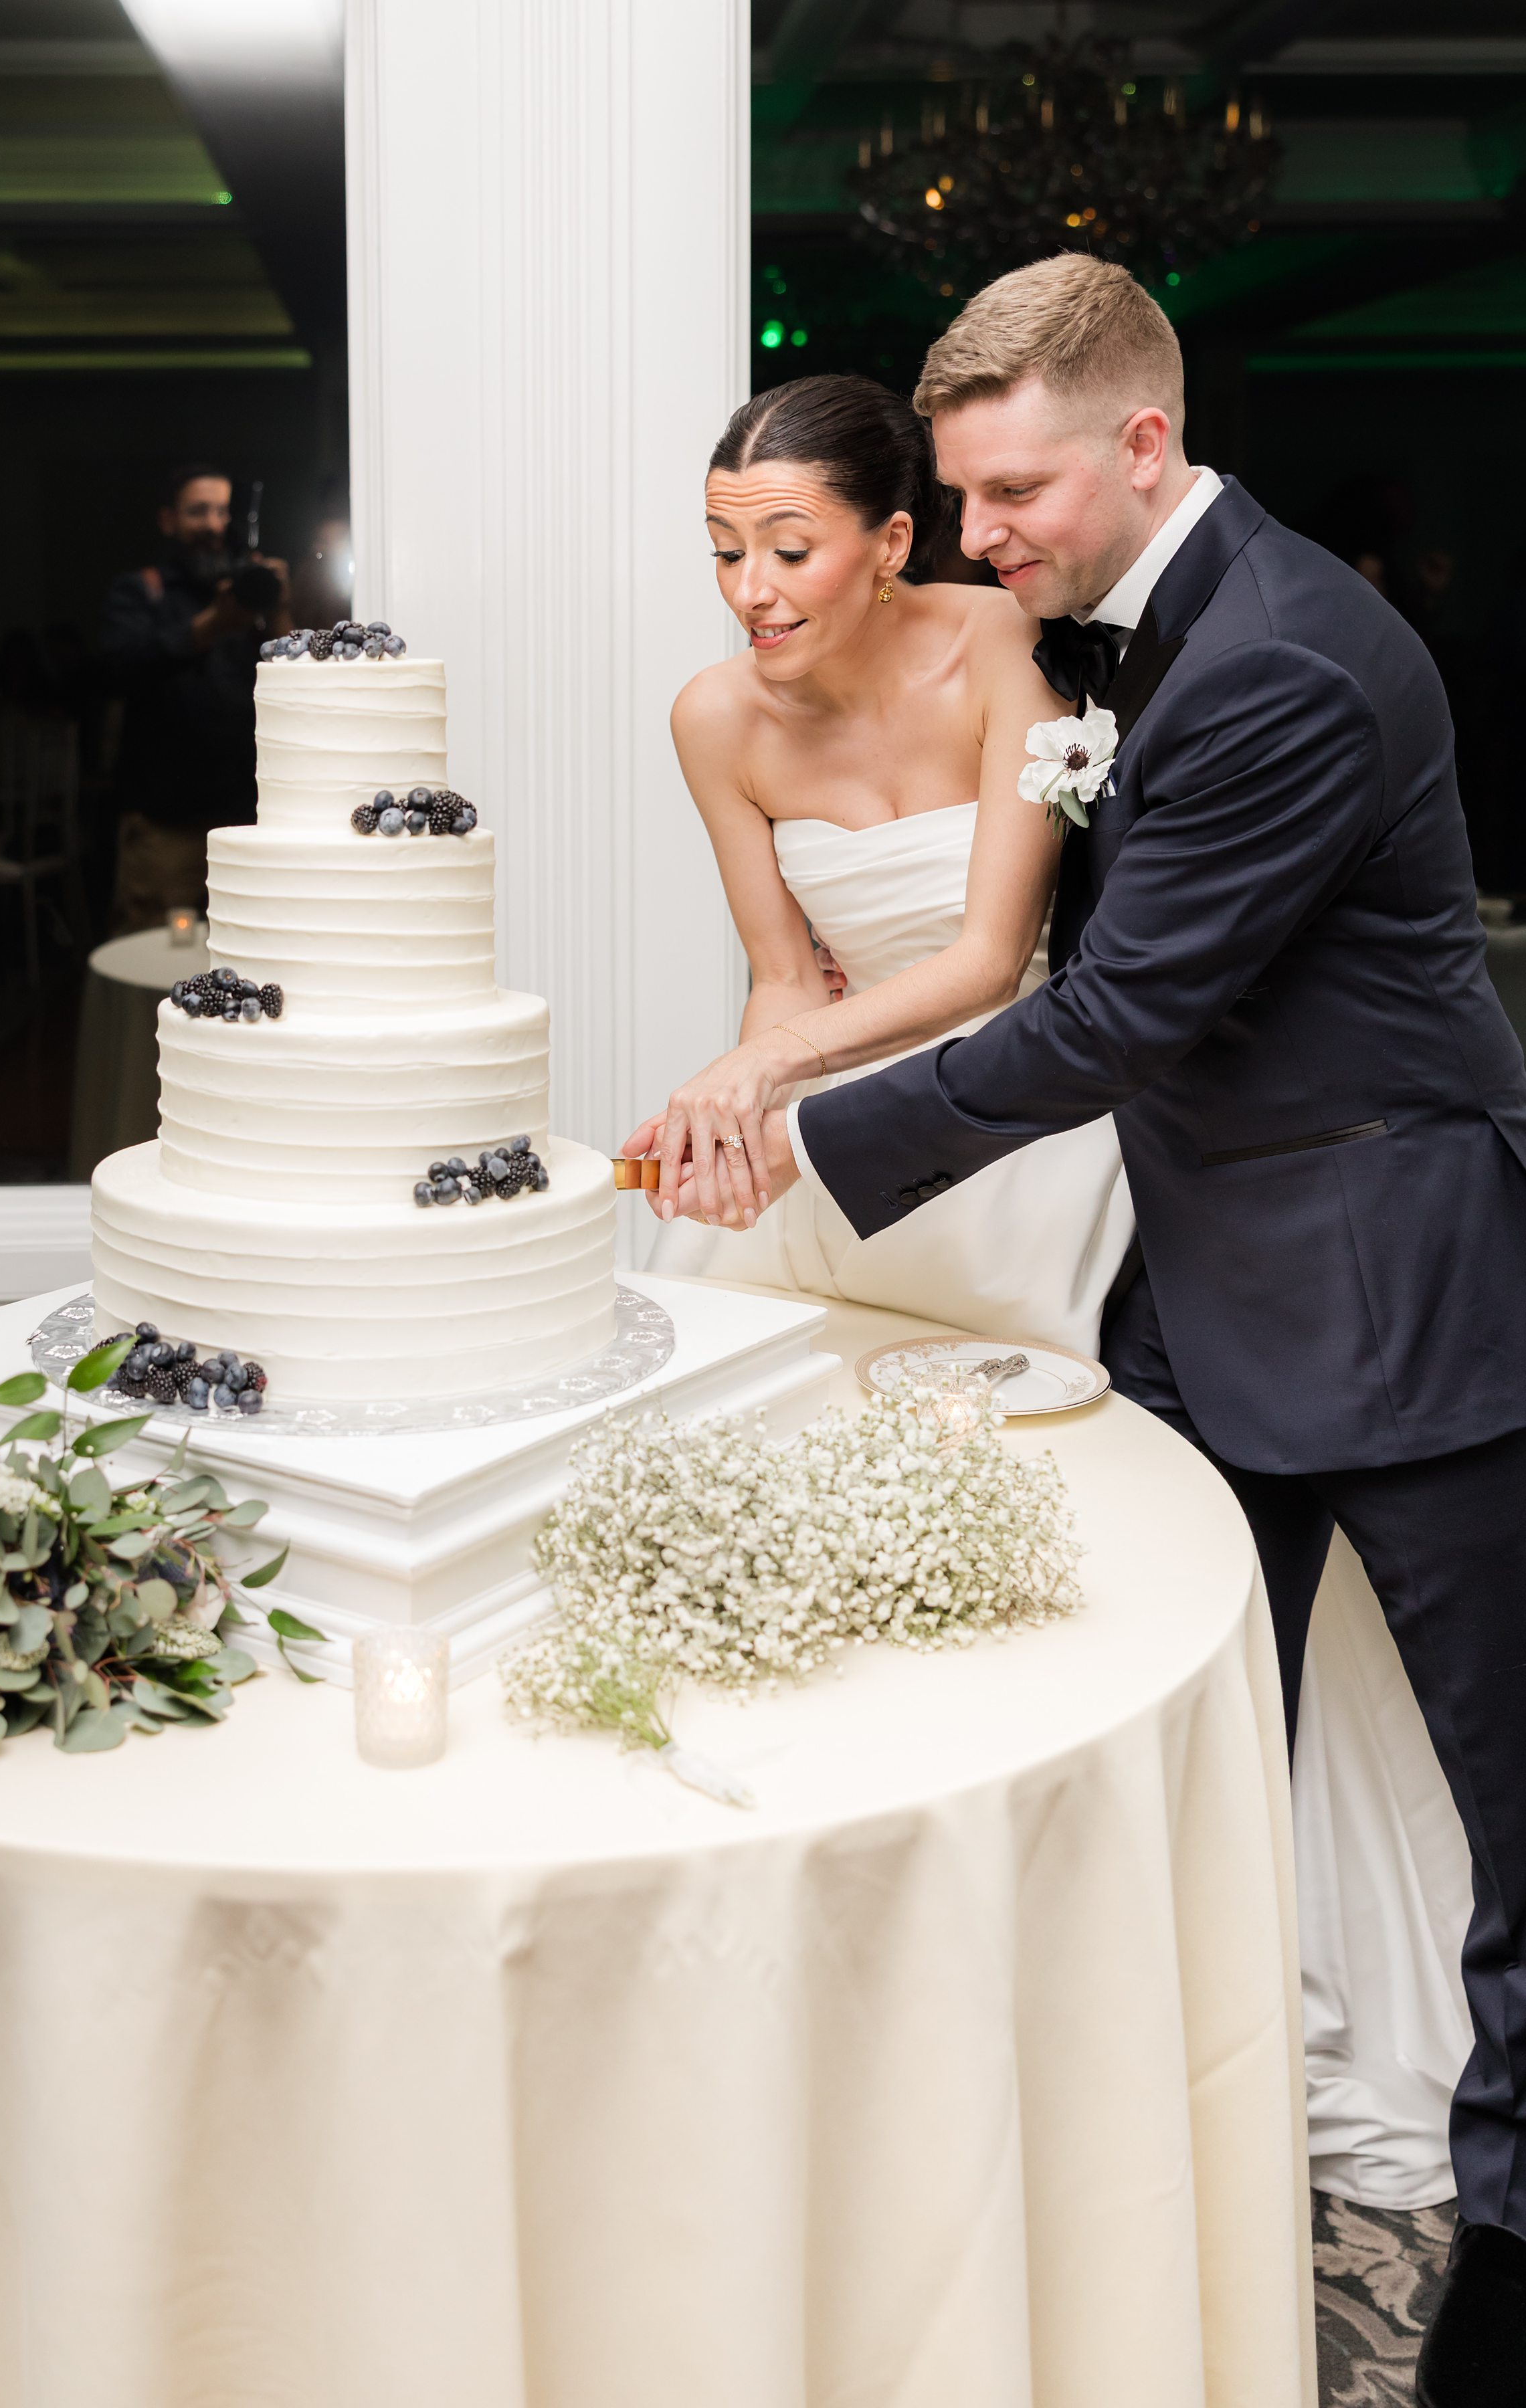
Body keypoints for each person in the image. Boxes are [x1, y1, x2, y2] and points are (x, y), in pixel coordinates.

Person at [639, 256, 1526, 2407]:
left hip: (1392, 1308)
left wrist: (806, 1138)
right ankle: (1138, 2156)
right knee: (1144, 1725)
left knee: (1501, 1809)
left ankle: (1492, 2271)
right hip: (1200, 1284)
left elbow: (1114, 1010)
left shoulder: (1288, 662)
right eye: (952, 500)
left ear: (1142, 443)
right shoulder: (1140, 631)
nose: (976, 544)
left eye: (1008, 491)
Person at [632, 373, 1133, 1350]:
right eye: (726, 554)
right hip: (835, 1095)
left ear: (891, 545)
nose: (750, 591)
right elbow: (783, 976)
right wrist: (742, 1117)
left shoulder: (1010, 646)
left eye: (789, 551)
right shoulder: (715, 718)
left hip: (1020, 1104)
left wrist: (757, 1066)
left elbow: (992, 960)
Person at [98, 463, 291, 933]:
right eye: (198, 511)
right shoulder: (143, 592)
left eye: (223, 512)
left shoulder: (250, 593)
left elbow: (292, 686)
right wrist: (211, 626)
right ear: (168, 520)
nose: (213, 524)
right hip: (167, 826)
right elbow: (117, 669)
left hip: (248, 824)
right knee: (155, 967)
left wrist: (278, 606)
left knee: (251, 962)